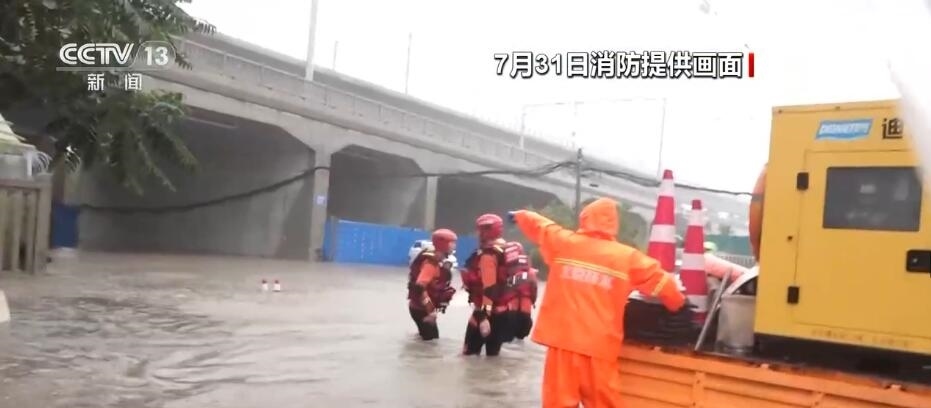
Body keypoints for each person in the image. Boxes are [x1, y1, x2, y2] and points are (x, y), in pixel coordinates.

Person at [509, 197, 693, 407]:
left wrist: (520, 216)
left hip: (563, 343)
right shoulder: (627, 257)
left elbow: (541, 226)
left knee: (558, 401)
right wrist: (677, 303)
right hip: (600, 346)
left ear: (585, 218)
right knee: (604, 402)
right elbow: (661, 280)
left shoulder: (564, 243)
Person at [460, 213, 512, 356]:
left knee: (468, 356)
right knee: (492, 359)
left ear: (486, 231)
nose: (478, 234)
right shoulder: (504, 251)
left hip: (485, 313)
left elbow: (489, 288)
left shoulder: (488, 256)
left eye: (480, 230)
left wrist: (484, 317)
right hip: (502, 313)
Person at [407, 229, 458, 341]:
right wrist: (430, 310)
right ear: (443, 244)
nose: (454, 246)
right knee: (431, 342)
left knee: (426, 340)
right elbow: (420, 287)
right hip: (421, 309)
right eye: (452, 243)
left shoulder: (437, 260)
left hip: (420, 307)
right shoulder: (430, 264)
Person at [502, 241, 538, 340]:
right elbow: (534, 289)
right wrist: (533, 300)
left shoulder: (504, 270)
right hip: (525, 310)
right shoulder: (530, 271)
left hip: (510, 309)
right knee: (520, 336)